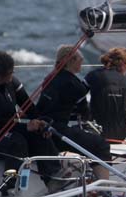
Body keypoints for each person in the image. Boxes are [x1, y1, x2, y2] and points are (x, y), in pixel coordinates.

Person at [0, 51, 58, 197]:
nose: (12, 74)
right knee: (17, 143)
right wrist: (26, 127)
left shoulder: (11, 83)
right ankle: (8, 187)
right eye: (10, 72)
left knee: (38, 135)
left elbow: (28, 106)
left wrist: (41, 122)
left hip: (5, 129)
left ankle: (53, 179)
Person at [37, 45, 112, 180]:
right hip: (57, 133)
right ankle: (105, 190)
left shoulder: (49, 78)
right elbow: (84, 113)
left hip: (42, 129)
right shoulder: (75, 85)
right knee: (101, 145)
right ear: (71, 61)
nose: (82, 63)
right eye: (80, 60)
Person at [84, 47, 126, 140]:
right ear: (123, 65)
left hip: (96, 133)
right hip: (120, 135)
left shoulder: (93, 75)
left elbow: (77, 94)